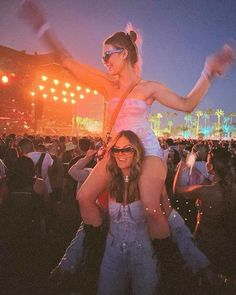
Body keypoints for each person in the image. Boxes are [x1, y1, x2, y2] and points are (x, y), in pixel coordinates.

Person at [18, 0, 235, 268]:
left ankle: (166, 264)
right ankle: (96, 253)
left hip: (147, 150)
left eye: (107, 54)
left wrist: (208, 72)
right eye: (102, 56)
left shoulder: (148, 88)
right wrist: (42, 27)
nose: (104, 61)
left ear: (124, 54)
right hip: (117, 151)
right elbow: (66, 62)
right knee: (84, 197)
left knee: (150, 207)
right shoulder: (106, 86)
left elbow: (187, 105)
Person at [173, 147, 236, 291]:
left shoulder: (206, 191)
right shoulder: (230, 189)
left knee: (203, 281)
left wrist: (182, 166)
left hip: (204, 240)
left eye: (208, 161)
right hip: (225, 241)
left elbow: (177, 190)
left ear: (211, 166)